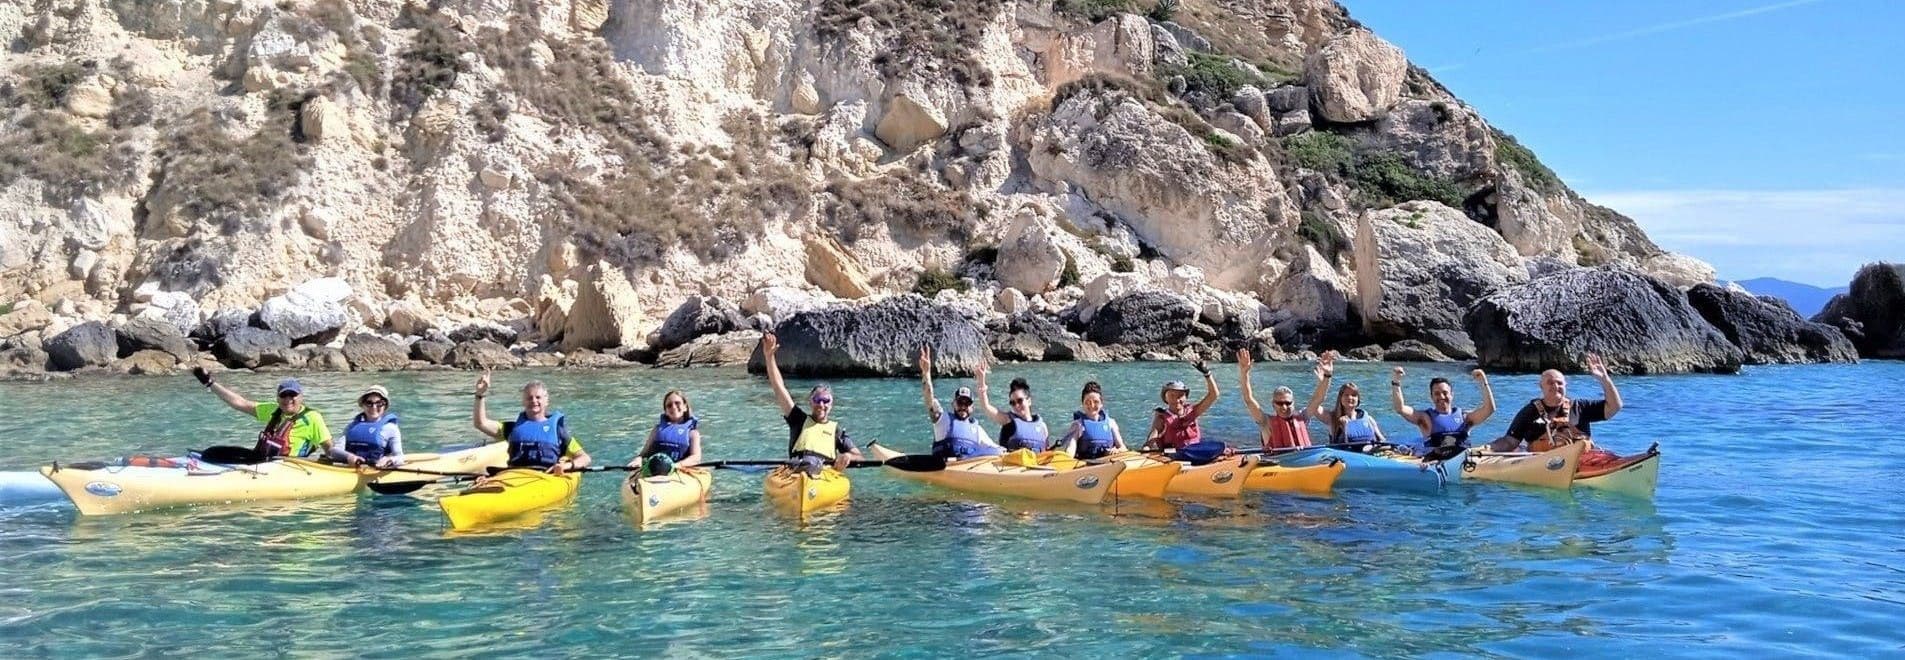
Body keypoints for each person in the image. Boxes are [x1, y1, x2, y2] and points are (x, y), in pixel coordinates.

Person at [760, 333, 863, 474]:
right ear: (810, 402)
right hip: (796, 471)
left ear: (831, 404)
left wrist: (848, 456)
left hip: (824, 475)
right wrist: (769, 357)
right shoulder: (798, 419)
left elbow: (860, 457)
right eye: (817, 400)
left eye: (826, 401)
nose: (821, 405)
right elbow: (779, 387)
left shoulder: (837, 431)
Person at [191, 366, 332, 463]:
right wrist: (209, 383)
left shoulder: (313, 418)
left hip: (288, 467)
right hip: (263, 460)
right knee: (212, 452)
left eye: (293, 395)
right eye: (284, 395)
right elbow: (240, 403)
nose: (288, 399)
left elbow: (329, 448)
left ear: (301, 397)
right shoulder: (273, 410)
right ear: (277, 398)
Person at [1493, 353, 1624, 452]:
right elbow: (1510, 441)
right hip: (1543, 465)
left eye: (1560, 383)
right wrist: (1488, 449)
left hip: (1583, 464)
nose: (1556, 386)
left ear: (1565, 385)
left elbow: (1614, 406)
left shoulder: (1580, 407)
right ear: (1541, 387)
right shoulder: (1529, 411)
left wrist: (1604, 379)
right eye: (1550, 383)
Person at [471, 369, 591, 475]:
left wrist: (567, 465)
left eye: (538, 397)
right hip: (514, 476)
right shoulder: (511, 428)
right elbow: (480, 423)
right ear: (523, 402)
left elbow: (584, 458)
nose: (534, 401)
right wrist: (480, 395)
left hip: (547, 477)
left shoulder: (558, 431)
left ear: (546, 401)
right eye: (529, 398)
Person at [918, 347, 1005, 460]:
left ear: (972, 407)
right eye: (960, 402)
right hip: (944, 468)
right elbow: (929, 399)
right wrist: (926, 373)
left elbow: (998, 450)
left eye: (967, 403)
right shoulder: (942, 420)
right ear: (953, 404)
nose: (963, 406)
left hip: (968, 471)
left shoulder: (977, 429)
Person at [1236, 349, 1332, 451]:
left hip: (1304, 461)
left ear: (1293, 403)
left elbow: (1318, 398)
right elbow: (1248, 399)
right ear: (1273, 404)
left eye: (1288, 403)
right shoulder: (1266, 422)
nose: (1284, 407)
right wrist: (1244, 373)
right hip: (1277, 464)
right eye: (1280, 403)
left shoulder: (1303, 417)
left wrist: (1327, 376)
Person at [1389, 367, 1496, 456]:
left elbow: (1489, 409)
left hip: (1462, 460)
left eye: (1445, 393)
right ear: (1431, 397)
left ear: (1452, 395)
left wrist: (1483, 382)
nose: (1441, 397)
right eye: (1437, 393)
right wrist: (1396, 382)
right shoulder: (1426, 418)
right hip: (1434, 461)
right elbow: (1400, 408)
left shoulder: (1465, 418)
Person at [1144, 359, 1221, 451]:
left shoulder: (1193, 411)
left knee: (1219, 447)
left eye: (1180, 396)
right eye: (1172, 396)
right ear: (1165, 398)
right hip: (1174, 455)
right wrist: (1146, 448)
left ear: (1186, 397)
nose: (1177, 399)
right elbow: (1152, 437)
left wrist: (1207, 374)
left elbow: (1213, 395)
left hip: (1195, 452)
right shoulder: (1161, 418)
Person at [975, 363, 1049, 453]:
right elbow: (986, 406)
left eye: (1020, 401)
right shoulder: (1008, 420)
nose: (1016, 406)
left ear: (1029, 401)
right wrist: (981, 382)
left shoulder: (1042, 426)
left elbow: (1046, 451)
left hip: (1036, 465)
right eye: (1012, 403)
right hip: (1012, 466)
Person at [629, 390, 703, 476]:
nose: (674, 407)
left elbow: (696, 457)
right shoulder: (657, 430)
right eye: (669, 405)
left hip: (680, 471)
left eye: (677, 403)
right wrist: (638, 459)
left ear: (685, 407)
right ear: (666, 411)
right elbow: (644, 454)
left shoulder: (692, 433)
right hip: (654, 470)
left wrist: (676, 465)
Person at [1318, 371, 1388, 451]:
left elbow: (1383, 441)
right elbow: (1314, 406)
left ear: (1358, 399)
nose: (1350, 398)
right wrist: (1323, 381)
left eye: (1354, 395)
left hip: (1370, 455)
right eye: (1346, 395)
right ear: (1340, 398)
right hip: (1344, 458)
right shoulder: (1332, 418)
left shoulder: (1369, 419)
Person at [1058, 381, 1128, 460]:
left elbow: (1123, 448)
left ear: (1101, 403)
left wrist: (1117, 451)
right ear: (1083, 404)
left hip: (1108, 463)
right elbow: (1070, 451)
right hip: (1085, 466)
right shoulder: (1078, 425)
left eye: (1096, 402)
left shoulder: (1111, 423)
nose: (1092, 405)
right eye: (1088, 402)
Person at [337, 385, 403, 468]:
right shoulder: (352, 426)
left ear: (385, 406)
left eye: (379, 403)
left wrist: (389, 460)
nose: (374, 407)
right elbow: (335, 451)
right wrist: (349, 457)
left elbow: (400, 457)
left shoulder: (391, 428)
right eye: (369, 403)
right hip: (351, 470)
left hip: (377, 471)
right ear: (363, 405)